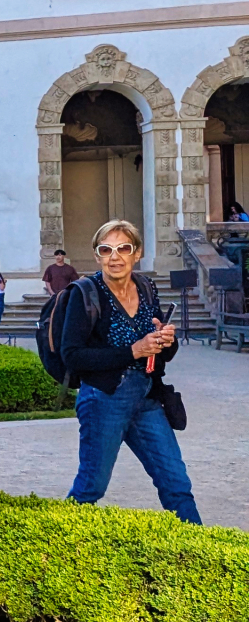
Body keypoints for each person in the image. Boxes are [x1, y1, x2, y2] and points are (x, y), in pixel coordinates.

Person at [59, 217, 200, 524]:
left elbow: (162, 352)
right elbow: (73, 356)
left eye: (123, 248)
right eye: (106, 249)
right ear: (97, 255)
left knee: (177, 484)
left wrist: (166, 340)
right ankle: (54, 544)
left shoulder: (146, 288)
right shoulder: (85, 293)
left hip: (147, 397)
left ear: (137, 253)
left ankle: (202, 550)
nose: (115, 257)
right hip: (103, 400)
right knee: (91, 487)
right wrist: (133, 350)